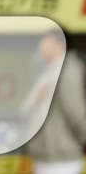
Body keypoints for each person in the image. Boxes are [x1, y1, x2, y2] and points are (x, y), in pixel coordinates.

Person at [21, 33, 86, 174]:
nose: (41, 47)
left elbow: (76, 114)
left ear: (60, 44)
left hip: (62, 158)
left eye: (46, 42)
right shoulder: (48, 72)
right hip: (46, 156)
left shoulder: (67, 72)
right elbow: (24, 110)